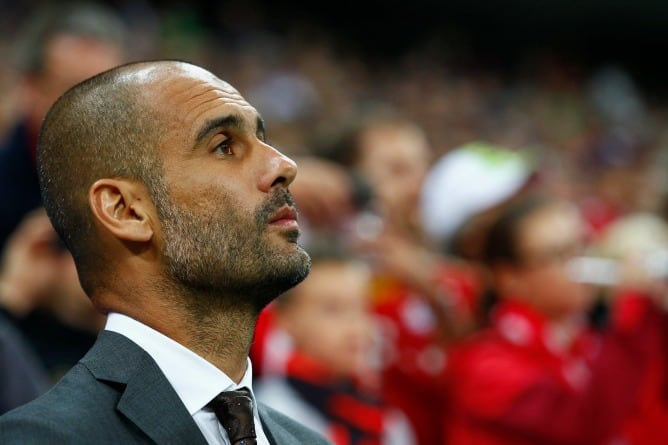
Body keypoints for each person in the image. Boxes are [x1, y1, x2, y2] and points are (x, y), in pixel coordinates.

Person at [0, 60, 330, 445]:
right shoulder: (43, 439)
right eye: (225, 146)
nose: (284, 165)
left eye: (263, 138)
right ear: (126, 211)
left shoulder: (309, 441)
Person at [443, 193, 664, 445]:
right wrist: (632, 310)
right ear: (509, 278)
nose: (582, 264)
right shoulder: (485, 368)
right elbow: (583, 426)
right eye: (560, 254)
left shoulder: (582, 342)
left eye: (583, 245)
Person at [0, 1, 126, 379]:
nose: (95, 111)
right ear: (29, 87)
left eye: (110, 92)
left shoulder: (145, 179)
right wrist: (13, 296)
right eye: (72, 90)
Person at [255, 247, 415, 445]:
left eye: (363, 307)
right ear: (286, 319)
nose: (355, 326)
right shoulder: (266, 415)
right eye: (334, 309)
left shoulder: (389, 422)